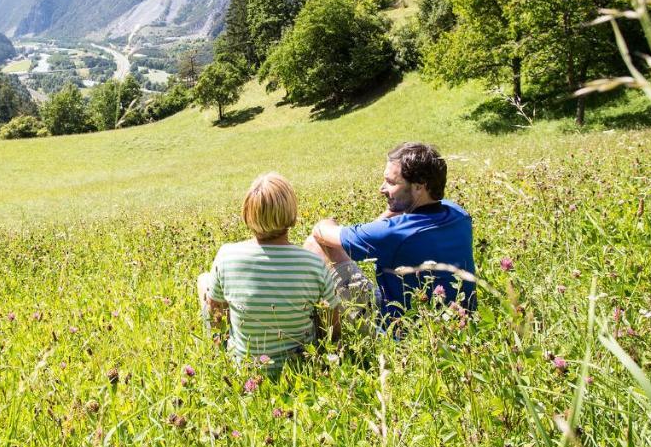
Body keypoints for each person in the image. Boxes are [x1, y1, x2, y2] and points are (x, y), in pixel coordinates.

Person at [305, 141, 475, 323]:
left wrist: (331, 223)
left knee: (317, 244)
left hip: (403, 332)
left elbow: (320, 231)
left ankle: (307, 329)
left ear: (419, 186)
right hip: (460, 323)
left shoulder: (393, 234)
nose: (382, 189)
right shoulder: (459, 214)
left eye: (391, 182)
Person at [199, 173, 341, 374]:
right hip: (302, 368)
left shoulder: (227, 255)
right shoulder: (313, 263)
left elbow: (216, 316)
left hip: (247, 371)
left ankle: (217, 355)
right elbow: (332, 328)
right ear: (291, 211)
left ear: (248, 212)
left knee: (204, 280)